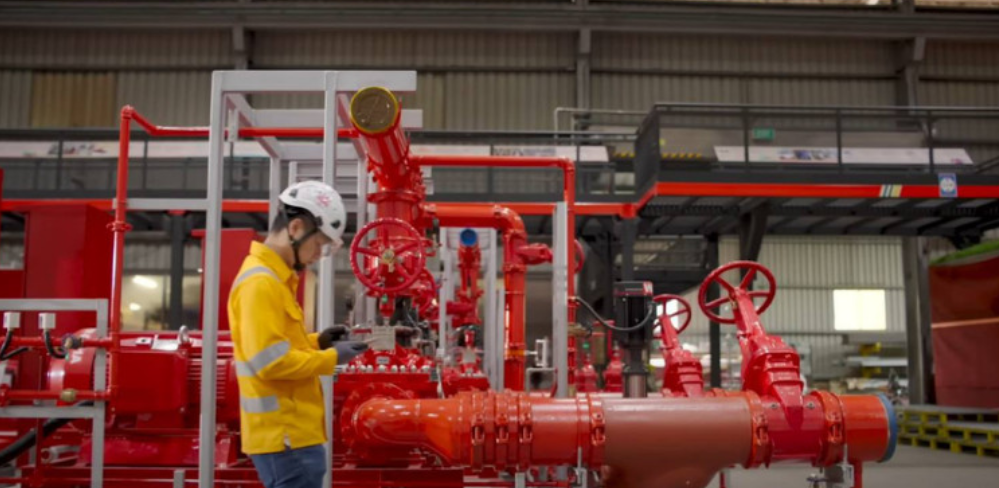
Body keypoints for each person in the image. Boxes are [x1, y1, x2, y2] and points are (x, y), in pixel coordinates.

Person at [228, 180, 368, 488]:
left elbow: (279, 346)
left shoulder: (275, 281)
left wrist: (318, 341)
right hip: (285, 436)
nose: (318, 254)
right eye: (318, 245)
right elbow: (270, 363)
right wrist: (331, 358)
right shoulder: (261, 284)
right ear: (295, 228)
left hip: (291, 434)